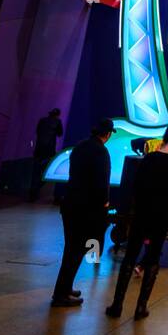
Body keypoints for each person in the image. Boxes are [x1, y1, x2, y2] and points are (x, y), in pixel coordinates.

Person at [106, 122, 168, 320]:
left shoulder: (149, 159)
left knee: (131, 255)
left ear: (164, 138)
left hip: (142, 213)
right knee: (152, 257)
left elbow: (136, 187)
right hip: (163, 215)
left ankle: (117, 305)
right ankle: (140, 308)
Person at [51, 118, 113, 308]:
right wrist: (104, 203)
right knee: (76, 251)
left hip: (70, 205)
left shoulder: (80, 147)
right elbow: (101, 183)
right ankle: (61, 294)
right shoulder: (101, 152)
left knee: (71, 249)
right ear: (108, 134)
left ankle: (65, 287)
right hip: (86, 209)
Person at [30, 107, 63, 201]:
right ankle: (37, 188)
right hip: (49, 151)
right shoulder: (58, 122)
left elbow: (37, 132)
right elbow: (60, 133)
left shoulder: (42, 120)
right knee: (46, 172)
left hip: (38, 150)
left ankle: (32, 194)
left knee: (35, 172)